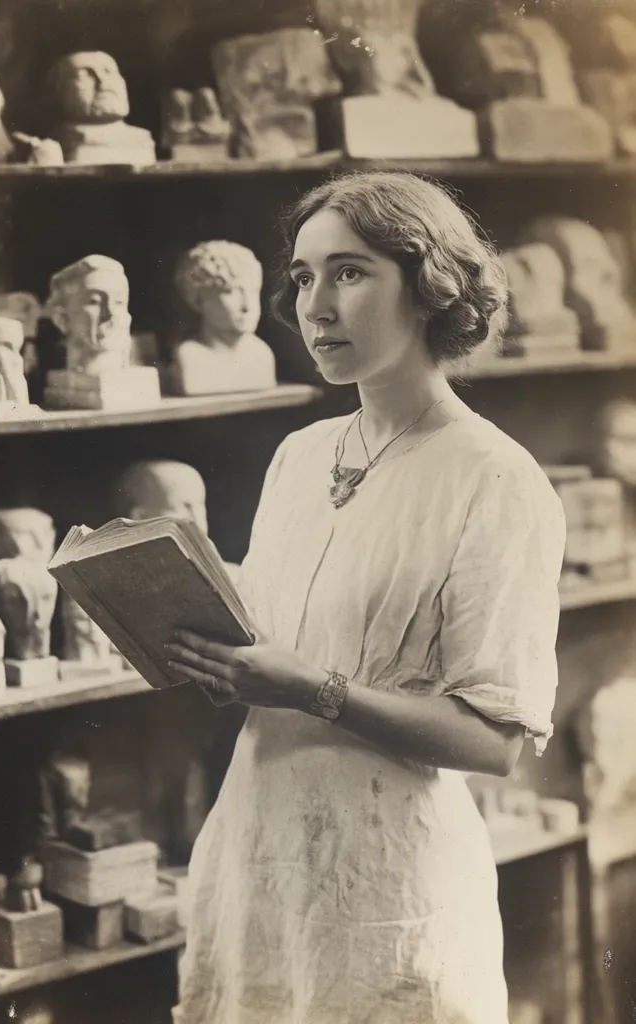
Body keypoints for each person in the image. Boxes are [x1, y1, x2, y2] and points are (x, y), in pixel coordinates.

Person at [165, 170, 566, 1024]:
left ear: (429, 287)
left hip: (387, 885)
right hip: (258, 860)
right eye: (304, 276)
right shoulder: (300, 456)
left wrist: (308, 689)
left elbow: (496, 741)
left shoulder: (494, 478)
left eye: (349, 272)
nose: (315, 306)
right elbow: (269, 642)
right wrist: (212, 654)